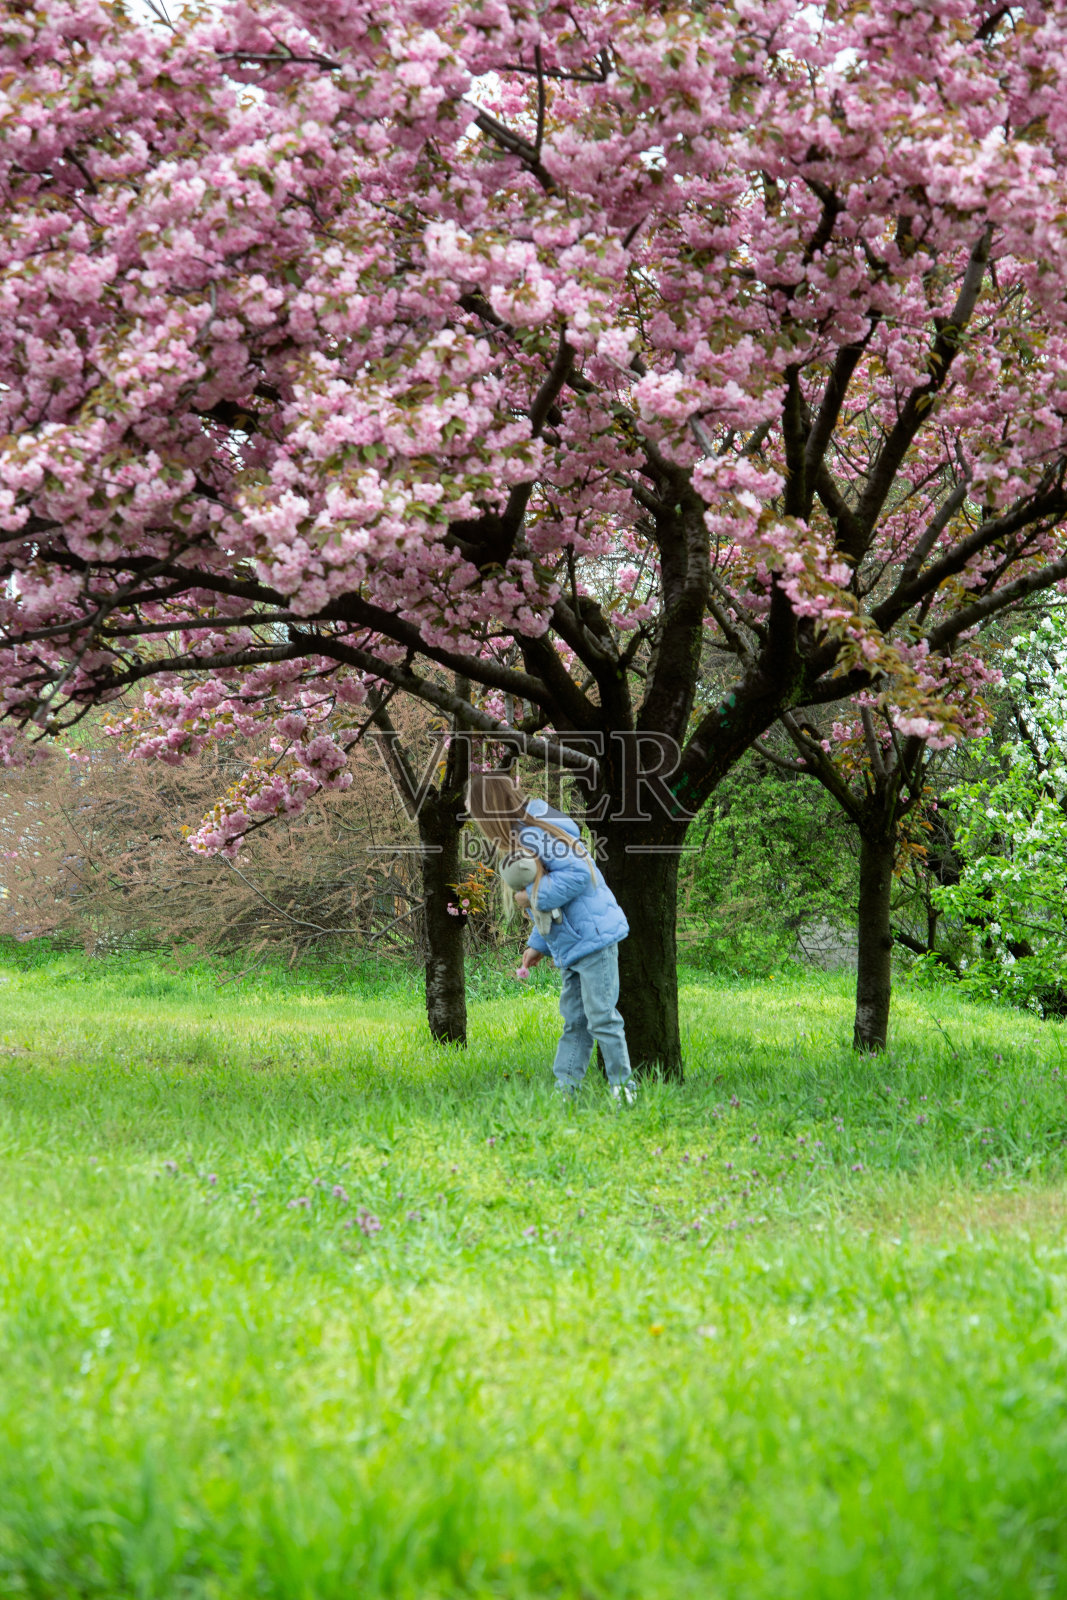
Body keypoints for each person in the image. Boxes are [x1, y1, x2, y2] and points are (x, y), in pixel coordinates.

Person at [465, 771, 636, 1102]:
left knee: (602, 1018)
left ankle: (623, 1090)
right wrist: (537, 944)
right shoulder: (524, 836)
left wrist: (529, 896)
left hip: (593, 939)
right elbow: (554, 902)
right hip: (573, 943)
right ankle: (566, 1093)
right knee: (576, 1022)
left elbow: (577, 875)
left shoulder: (534, 835)